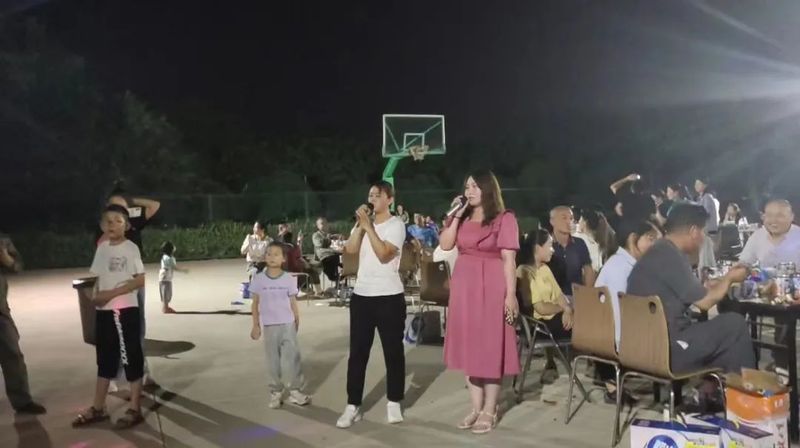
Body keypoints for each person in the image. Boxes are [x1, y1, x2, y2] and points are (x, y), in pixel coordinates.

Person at [627, 203, 754, 374]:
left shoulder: (658, 251)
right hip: (666, 349)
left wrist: (719, 282)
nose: (704, 238)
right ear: (694, 231)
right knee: (734, 325)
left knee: (722, 336)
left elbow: (690, 290)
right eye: (703, 232)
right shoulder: (670, 255)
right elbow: (705, 303)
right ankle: (747, 387)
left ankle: (713, 387)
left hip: (641, 345)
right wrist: (730, 278)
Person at [439, 170, 520, 435]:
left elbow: (508, 259)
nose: (470, 191)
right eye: (467, 186)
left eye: (475, 186)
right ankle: (476, 407)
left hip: (492, 285)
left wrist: (510, 295)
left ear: (488, 189)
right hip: (464, 286)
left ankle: (490, 409)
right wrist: (456, 214)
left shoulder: (504, 218)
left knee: (490, 346)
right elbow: (446, 244)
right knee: (469, 345)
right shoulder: (460, 217)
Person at [336, 181, 407, 429]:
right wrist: (361, 226)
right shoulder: (363, 224)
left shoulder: (396, 225)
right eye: (370, 195)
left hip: (389, 297)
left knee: (393, 352)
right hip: (362, 296)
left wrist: (369, 227)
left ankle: (394, 401)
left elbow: (385, 254)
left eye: (378, 195)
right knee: (357, 353)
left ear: (390, 199)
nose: (372, 198)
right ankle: (353, 405)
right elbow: (350, 249)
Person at [73, 205, 146, 429]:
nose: (112, 224)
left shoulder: (131, 248)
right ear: (102, 226)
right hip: (103, 312)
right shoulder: (102, 249)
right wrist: (92, 296)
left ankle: (135, 408)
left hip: (125, 310)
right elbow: (95, 278)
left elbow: (139, 280)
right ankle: (98, 407)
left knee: (130, 357)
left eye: (118, 220)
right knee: (104, 359)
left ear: (127, 225)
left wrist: (111, 294)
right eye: (109, 221)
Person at [593, 220, 662, 401]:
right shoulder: (623, 269)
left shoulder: (619, 263)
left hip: (604, 339)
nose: (655, 245)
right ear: (633, 239)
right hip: (616, 342)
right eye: (651, 239)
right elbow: (620, 317)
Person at [104, 188, 160, 386]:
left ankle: (140, 372)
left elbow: (154, 205)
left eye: (122, 208)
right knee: (119, 330)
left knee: (138, 328)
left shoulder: (134, 224)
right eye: (114, 207)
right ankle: (117, 377)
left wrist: (132, 200)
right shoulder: (104, 231)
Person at [738, 199, 800, 378]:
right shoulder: (757, 236)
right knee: (731, 306)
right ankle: (743, 365)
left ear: (791, 217)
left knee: (783, 317)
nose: (774, 220)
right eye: (769, 215)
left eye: (780, 215)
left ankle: (782, 369)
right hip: (764, 293)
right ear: (763, 217)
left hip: (792, 295)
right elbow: (744, 264)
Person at [249, 243, 312, 409]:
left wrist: (296, 320)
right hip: (270, 326)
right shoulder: (259, 279)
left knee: (292, 358)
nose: (272, 257)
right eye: (269, 254)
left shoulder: (289, 279)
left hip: (288, 324)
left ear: (283, 259)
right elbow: (255, 304)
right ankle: (275, 392)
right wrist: (256, 325)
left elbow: (293, 301)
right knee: (273, 361)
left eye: (276, 254)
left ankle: (295, 391)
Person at [517, 229, 573, 385]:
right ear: (537, 248)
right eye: (549, 245)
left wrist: (568, 309)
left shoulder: (545, 269)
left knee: (585, 314)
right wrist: (564, 309)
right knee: (591, 324)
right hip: (540, 326)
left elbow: (559, 296)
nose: (552, 250)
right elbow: (540, 308)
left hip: (553, 319)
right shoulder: (523, 272)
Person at [0, 233, 46, 415]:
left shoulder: (2, 240)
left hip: (0, 311)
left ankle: (22, 401)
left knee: (12, 354)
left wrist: (7, 259)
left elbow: (18, 266)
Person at [548, 206, 595, 297]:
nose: (568, 222)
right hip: (553, 299)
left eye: (571, 218)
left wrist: (587, 294)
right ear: (552, 221)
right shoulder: (546, 245)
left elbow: (588, 270)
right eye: (564, 218)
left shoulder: (579, 243)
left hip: (577, 297)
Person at [574, 209, 616, 273]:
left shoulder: (580, 238)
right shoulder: (602, 237)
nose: (578, 222)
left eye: (580, 219)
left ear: (585, 222)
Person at [280, 232, 321, 296]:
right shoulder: (294, 247)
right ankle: (318, 291)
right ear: (292, 238)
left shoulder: (279, 248)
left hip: (283, 273)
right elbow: (299, 257)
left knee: (308, 270)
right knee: (312, 271)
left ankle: (305, 289)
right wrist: (306, 264)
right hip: (296, 272)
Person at [694, 178, 719, 272]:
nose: (696, 186)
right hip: (704, 230)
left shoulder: (707, 197)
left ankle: (705, 271)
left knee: (705, 257)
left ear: (705, 185)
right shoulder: (701, 198)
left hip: (707, 231)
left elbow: (705, 214)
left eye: (698, 183)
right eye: (695, 184)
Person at [158, 241, 189, 314]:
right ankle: (165, 308)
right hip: (166, 277)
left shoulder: (165, 257)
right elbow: (174, 267)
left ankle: (165, 307)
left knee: (165, 292)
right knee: (166, 292)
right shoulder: (169, 258)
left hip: (163, 276)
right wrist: (183, 270)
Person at [312, 217, 342, 283]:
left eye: (326, 223)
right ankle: (333, 276)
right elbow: (319, 244)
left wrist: (338, 238)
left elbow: (334, 244)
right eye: (322, 223)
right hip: (322, 256)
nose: (325, 225)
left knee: (342, 256)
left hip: (332, 254)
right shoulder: (316, 235)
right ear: (318, 226)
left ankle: (343, 274)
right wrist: (329, 238)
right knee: (333, 258)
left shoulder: (328, 234)